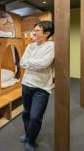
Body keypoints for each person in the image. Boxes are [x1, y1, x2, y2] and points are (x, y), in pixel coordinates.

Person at [19, 21, 54, 151]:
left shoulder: (51, 46)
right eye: (33, 30)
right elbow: (22, 63)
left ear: (47, 33)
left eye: (37, 31)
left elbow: (44, 63)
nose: (33, 33)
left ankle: (30, 141)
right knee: (26, 113)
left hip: (42, 88)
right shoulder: (30, 46)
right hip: (26, 84)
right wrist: (32, 63)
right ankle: (29, 137)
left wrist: (29, 62)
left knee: (35, 117)